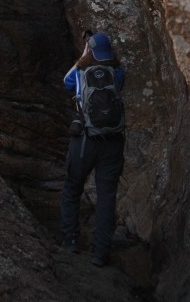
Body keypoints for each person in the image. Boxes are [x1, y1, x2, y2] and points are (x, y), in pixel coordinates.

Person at [60, 32, 125, 267]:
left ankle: (70, 241)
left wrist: (82, 57)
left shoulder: (79, 72)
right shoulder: (118, 72)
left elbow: (66, 82)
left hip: (85, 141)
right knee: (106, 196)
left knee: (72, 188)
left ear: (91, 50)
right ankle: (100, 254)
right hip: (113, 142)